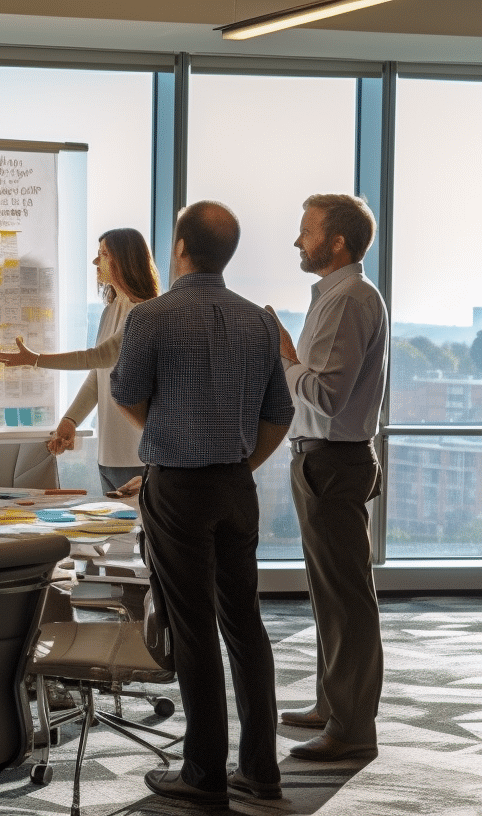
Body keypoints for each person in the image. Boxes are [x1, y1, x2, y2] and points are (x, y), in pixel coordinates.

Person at [110, 200, 293, 807]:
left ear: (181, 247)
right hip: (236, 487)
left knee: (192, 629)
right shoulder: (260, 321)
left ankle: (204, 773)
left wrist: (165, 437)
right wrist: (240, 462)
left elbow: (128, 393)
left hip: (178, 487)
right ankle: (262, 771)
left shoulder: (153, 317)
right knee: (246, 626)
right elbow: (279, 413)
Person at [266, 193, 387, 762]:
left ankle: (352, 727)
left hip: (332, 461)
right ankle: (333, 706)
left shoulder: (347, 300)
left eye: (306, 230)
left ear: (336, 241)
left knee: (344, 597)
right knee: (330, 594)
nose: (297, 240)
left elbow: (325, 395)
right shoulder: (336, 297)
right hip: (325, 459)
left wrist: (284, 354)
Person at [0, 227, 160, 493]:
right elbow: (98, 373)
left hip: (137, 457)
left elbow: (99, 356)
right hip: (109, 456)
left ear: (124, 260)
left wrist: (35, 359)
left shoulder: (144, 313)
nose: (96, 262)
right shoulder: (110, 312)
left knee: (134, 532)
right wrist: (71, 419)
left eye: (104, 254)